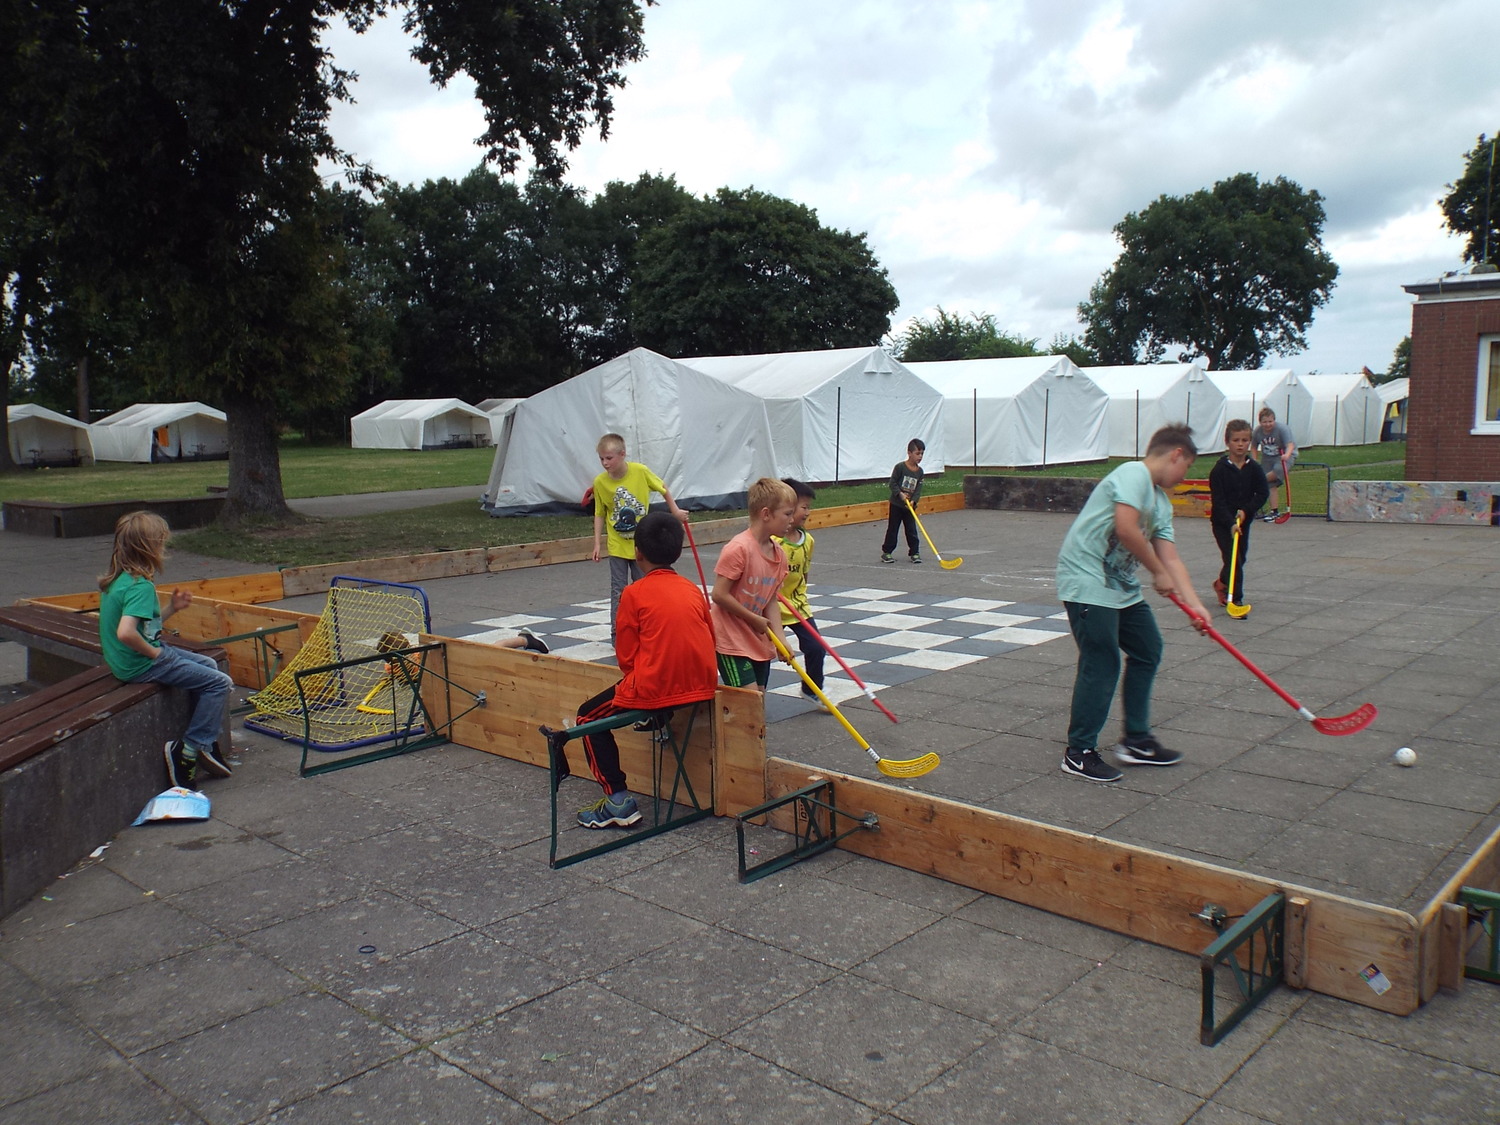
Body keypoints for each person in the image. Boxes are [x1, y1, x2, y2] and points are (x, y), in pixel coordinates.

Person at [1055, 424, 1211, 783]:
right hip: (1087, 581)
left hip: (1121, 588)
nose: (1184, 476)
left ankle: (1137, 741)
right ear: (1176, 455)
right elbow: (1126, 528)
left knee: (1148, 648)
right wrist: (1157, 572)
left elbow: (1171, 559)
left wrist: (1196, 606)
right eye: (1186, 467)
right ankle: (1079, 752)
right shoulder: (1132, 474)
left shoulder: (1161, 502)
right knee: (1102, 660)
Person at [571, 512, 717, 829]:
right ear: (677, 551)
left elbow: (626, 656)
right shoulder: (691, 588)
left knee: (586, 718)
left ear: (637, 552)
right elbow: (710, 636)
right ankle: (656, 716)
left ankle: (617, 802)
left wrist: (642, 681)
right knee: (652, 680)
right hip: (702, 683)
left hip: (656, 688)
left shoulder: (634, 592)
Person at [97, 511, 235, 789]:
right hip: (143, 663)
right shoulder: (139, 587)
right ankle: (188, 749)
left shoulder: (120, 579)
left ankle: (205, 743)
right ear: (149, 548)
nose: (164, 548)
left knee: (209, 666)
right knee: (220, 683)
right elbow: (126, 633)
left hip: (129, 660)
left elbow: (145, 628)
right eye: (161, 543)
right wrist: (156, 654)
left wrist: (172, 608)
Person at [590, 432, 687, 638]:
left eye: (609, 458)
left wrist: (675, 511)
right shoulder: (600, 482)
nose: (605, 463)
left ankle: (646, 629)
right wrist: (597, 542)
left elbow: (663, 488)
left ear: (622, 454)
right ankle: (618, 633)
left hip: (641, 544)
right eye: (601, 459)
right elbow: (599, 513)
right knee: (618, 590)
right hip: (617, 544)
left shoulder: (640, 471)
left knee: (643, 587)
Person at [712, 477, 797, 690]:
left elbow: (770, 601)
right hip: (730, 639)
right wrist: (753, 618)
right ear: (766, 514)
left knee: (758, 699)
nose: (792, 519)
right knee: (748, 701)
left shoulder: (779, 555)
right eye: (787, 514)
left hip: (757, 640)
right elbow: (719, 594)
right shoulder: (739, 549)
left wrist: (781, 639)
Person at [1208, 419, 1270, 610]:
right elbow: (1218, 502)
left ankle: (1221, 583)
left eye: (1244, 440)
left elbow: (1262, 493)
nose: (1240, 444)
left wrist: (1246, 511)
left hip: (1243, 521)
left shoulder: (1254, 468)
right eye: (1236, 440)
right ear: (1227, 442)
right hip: (1222, 523)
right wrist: (1230, 523)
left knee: (1240, 559)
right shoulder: (1219, 470)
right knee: (1232, 558)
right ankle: (1235, 599)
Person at [774, 478, 826, 706]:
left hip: (797, 605)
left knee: (816, 648)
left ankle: (812, 690)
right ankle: (754, 693)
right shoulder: (773, 541)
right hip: (771, 606)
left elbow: (804, 574)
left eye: (808, 507)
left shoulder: (808, 541)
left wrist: (801, 597)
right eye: (803, 507)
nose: (807, 512)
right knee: (762, 654)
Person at [881, 438, 926, 563]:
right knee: (893, 528)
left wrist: (914, 501)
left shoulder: (920, 472)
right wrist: (900, 494)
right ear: (909, 453)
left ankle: (915, 552)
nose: (920, 456)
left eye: (922, 454)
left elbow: (918, 489)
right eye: (917, 453)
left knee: (911, 529)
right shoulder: (900, 467)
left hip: (909, 507)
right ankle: (887, 552)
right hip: (896, 505)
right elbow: (892, 483)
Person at [1253, 407, 1297, 521]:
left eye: (1270, 421)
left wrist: (1287, 455)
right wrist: (1254, 460)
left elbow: (1290, 445)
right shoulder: (1257, 432)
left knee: (1277, 471)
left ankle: (1258, 481)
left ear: (1274, 420)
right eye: (1264, 422)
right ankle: (1274, 511)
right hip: (1267, 457)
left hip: (1283, 456)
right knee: (1271, 484)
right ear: (1260, 422)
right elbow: (1253, 446)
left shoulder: (1282, 429)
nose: (1268, 424)